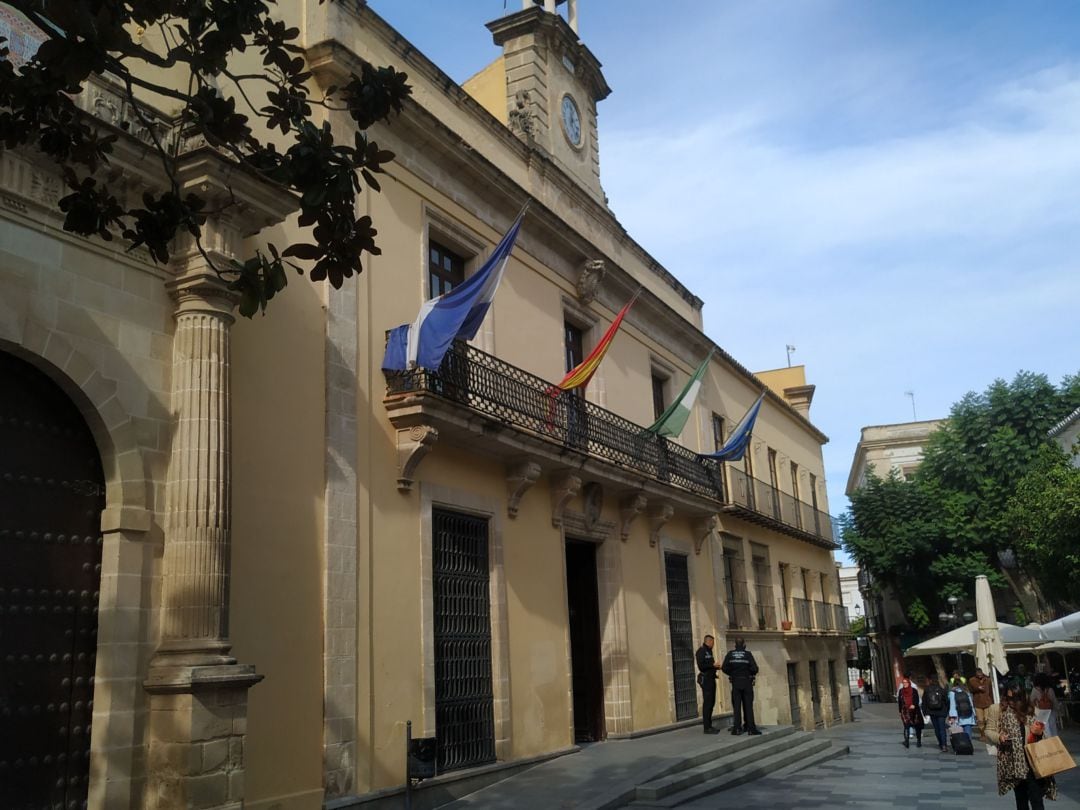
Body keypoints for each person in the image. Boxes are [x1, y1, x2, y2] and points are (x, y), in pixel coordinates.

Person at [989, 685, 1058, 809]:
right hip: (1014, 762)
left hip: (1033, 760)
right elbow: (989, 730)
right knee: (1021, 799)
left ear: (1022, 698)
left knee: (1036, 798)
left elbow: (1044, 733)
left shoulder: (1031, 710)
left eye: (1015, 698)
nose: (1011, 701)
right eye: (1008, 698)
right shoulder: (998, 710)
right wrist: (999, 737)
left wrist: (1039, 732)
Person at [720, 636, 760, 736]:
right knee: (748, 706)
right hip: (746, 682)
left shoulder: (730, 654)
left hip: (736, 683)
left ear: (735, 645)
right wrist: (748, 672)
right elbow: (755, 669)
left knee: (736, 707)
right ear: (744, 645)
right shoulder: (748, 654)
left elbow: (724, 667)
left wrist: (732, 673)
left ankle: (737, 728)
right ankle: (751, 728)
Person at [695, 634, 721, 734]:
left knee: (712, 702)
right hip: (706, 680)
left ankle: (709, 725)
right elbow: (701, 666)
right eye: (713, 643)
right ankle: (707, 727)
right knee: (708, 703)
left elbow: (710, 665)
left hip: (711, 679)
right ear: (708, 641)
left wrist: (715, 668)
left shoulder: (709, 651)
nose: (713, 645)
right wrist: (712, 665)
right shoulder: (701, 651)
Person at [922, 673, 950, 752]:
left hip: (932, 711)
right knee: (942, 728)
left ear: (930, 680)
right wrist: (947, 710)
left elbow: (924, 701)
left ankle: (940, 743)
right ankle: (944, 745)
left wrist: (925, 712)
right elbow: (947, 701)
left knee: (937, 728)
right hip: (941, 711)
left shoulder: (927, 689)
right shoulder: (941, 689)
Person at [1030, 672, 1060, 738]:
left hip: (1041, 712)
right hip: (1051, 711)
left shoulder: (1035, 689)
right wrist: (1057, 710)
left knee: (1045, 729)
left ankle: (1049, 743)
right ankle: (1056, 743)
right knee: (1053, 729)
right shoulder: (1050, 689)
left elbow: (1031, 701)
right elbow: (1054, 701)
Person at [897, 676, 924, 748]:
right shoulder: (901, 691)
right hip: (905, 711)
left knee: (917, 726)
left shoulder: (914, 690)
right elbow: (899, 701)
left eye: (906, 682)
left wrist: (914, 704)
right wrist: (900, 710)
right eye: (903, 683)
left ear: (909, 683)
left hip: (914, 711)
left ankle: (919, 741)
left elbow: (917, 699)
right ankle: (907, 741)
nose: (904, 684)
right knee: (906, 726)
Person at [968, 668, 994, 741]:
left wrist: (992, 701)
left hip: (987, 702)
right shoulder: (972, 680)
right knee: (980, 720)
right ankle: (982, 734)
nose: (979, 674)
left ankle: (987, 734)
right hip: (977, 703)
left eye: (980, 673)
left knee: (987, 719)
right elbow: (970, 690)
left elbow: (991, 691)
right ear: (976, 673)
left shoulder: (988, 680)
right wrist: (977, 688)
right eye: (978, 673)